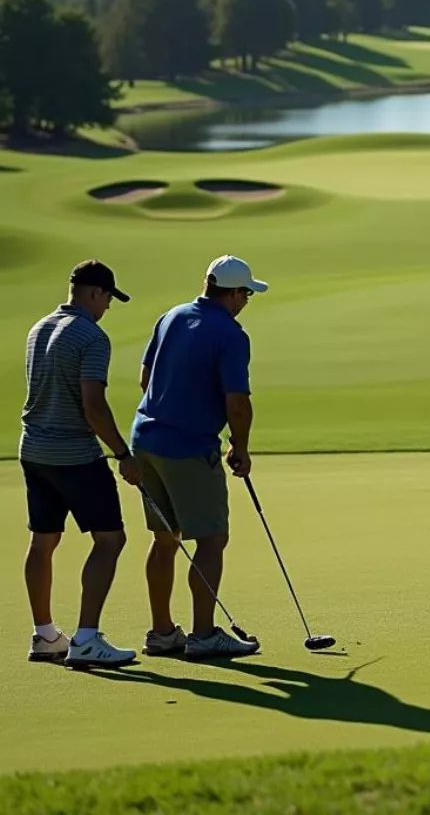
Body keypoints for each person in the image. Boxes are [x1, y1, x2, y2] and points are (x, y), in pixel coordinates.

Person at [130, 255, 268, 659]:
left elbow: (146, 379)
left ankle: (161, 633)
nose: (246, 301)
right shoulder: (231, 333)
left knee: (165, 538)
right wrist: (239, 446)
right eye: (246, 293)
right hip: (188, 448)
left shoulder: (171, 316)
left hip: (146, 440)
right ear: (233, 293)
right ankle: (204, 635)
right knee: (211, 539)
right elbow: (238, 403)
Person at [20, 260, 141, 668]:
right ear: (95, 293)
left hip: (33, 450)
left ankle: (45, 635)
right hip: (74, 455)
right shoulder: (92, 336)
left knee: (43, 540)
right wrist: (123, 454)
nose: (107, 307)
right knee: (110, 539)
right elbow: (93, 405)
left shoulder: (39, 327)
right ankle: (87, 638)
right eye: (108, 298)